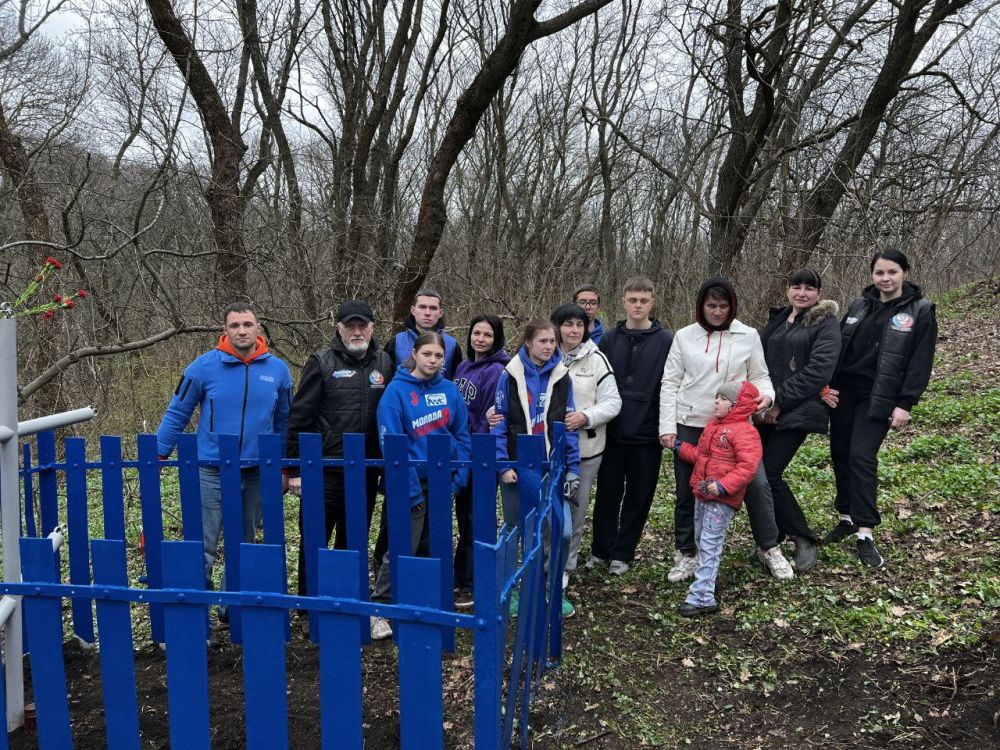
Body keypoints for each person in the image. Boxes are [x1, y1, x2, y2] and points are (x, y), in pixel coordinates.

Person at [155, 302, 293, 609]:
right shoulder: (203, 367)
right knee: (203, 543)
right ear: (225, 331)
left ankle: (230, 608)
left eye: (247, 324)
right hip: (211, 469)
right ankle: (194, 611)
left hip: (257, 471)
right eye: (235, 326)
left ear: (259, 329)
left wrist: (284, 466)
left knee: (243, 543)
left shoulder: (278, 371)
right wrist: (159, 454)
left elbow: (284, 420)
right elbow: (178, 410)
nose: (242, 330)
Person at [659, 277, 794, 583]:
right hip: (691, 424)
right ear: (701, 306)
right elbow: (669, 383)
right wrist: (668, 427)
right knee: (687, 490)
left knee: (757, 485)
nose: (717, 312)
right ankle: (687, 552)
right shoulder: (684, 337)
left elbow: (761, 375)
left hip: (736, 428)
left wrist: (767, 397)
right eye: (711, 306)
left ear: (732, 306)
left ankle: (769, 547)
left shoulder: (747, 335)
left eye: (723, 306)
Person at [823, 249, 937, 568]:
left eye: (892, 272)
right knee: (841, 454)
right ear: (872, 275)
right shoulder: (859, 305)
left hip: (879, 398)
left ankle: (865, 532)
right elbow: (838, 348)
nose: (885, 279)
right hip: (844, 394)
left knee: (861, 456)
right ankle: (845, 517)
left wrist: (906, 402)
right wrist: (826, 385)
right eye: (879, 273)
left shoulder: (920, 310)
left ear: (904, 273)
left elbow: (920, 361)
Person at [285, 300, 394, 611]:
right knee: (315, 540)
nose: (356, 331)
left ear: (373, 328)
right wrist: (294, 468)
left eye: (363, 325)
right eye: (350, 326)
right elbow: (299, 416)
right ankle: (309, 606)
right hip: (324, 471)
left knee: (353, 539)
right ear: (339, 328)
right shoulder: (321, 362)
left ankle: (344, 602)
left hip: (366, 471)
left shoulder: (385, 364)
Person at [371, 332, 471, 639]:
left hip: (442, 483)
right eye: (427, 354)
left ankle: (424, 603)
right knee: (402, 547)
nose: (433, 360)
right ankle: (380, 609)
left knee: (433, 546)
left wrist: (458, 480)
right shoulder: (395, 393)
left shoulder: (450, 391)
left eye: (439, 356)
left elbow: (463, 434)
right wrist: (411, 489)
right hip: (409, 484)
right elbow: (392, 444)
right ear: (414, 354)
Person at [492, 320, 581, 617]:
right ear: (528, 342)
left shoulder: (563, 376)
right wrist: (503, 465)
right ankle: (514, 588)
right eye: (542, 341)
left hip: (551, 468)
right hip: (517, 468)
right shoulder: (509, 375)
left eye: (552, 341)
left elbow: (569, 426)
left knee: (562, 531)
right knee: (517, 531)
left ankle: (550, 587)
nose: (549, 346)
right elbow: (500, 422)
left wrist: (573, 468)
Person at [588, 276, 673, 576]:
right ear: (623, 301)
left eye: (644, 300)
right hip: (612, 432)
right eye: (633, 300)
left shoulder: (666, 341)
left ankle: (623, 553)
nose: (638, 305)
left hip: (647, 434)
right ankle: (601, 549)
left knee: (639, 496)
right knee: (608, 494)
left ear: (652, 302)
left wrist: (665, 426)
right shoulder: (609, 339)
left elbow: (671, 386)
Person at [757, 269, 841, 572]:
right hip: (765, 409)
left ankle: (803, 538)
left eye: (809, 288)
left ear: (818, 293)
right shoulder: (778, 319)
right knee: (757, 475)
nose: (802, 292)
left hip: (800, 410)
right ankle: (771, 538)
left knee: (770, 472)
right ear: (788, 290)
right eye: (796, 286)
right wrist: (762, 400)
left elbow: (818, 371)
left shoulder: (825, 325)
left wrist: (778, 400)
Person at [673, 382, 763, 616]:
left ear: (736, 405)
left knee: (710, 543)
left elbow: (747, 468)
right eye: (716, 397)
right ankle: (706, 581)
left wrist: (722, 487)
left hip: (721, 500)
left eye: (722, 398)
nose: (716, 402)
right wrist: (679, 447)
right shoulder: (714, 426)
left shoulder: (745, 432)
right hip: (702, 494)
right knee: (702, 539)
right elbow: (701, 456)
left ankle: (702, 596)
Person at [549, 303, 621, 588]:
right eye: (568, 324)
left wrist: (586, 417)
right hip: (547, 450)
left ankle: (566, 566)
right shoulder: (545, 354)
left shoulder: (596, 360)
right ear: (557, 327)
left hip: (585, 451)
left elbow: (613, 402)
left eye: (580, 325)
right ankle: (543, 559)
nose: (574, 330)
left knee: (575, 509)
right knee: (546, 508)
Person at [452, 314, 510, 607]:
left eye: (487, 335)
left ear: (496, 338)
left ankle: (474, 582)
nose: (481, 339)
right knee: (464, 517)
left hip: (481, 455)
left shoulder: (498, 371)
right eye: (476, 333)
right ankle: (460, 575)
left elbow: (493, 416)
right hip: (460, 452)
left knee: (477, 518)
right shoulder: (463, 366)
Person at [385, 288, 463, 379]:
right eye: (422, 307)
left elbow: (457, 385)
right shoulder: (395, 343)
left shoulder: (453, 346)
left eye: (433, 308)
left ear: (440, 313)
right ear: (413, 310)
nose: (427, 313)